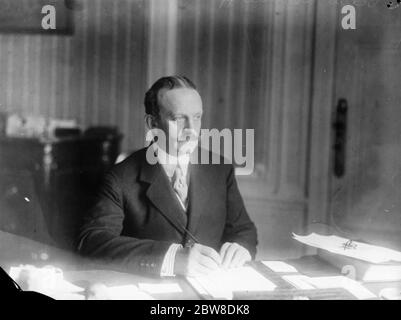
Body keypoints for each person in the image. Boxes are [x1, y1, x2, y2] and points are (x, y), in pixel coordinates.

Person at [77, 76, 257, 277]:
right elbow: (92, 241)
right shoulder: (120, 178)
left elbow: (244, 231)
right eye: (178, 119)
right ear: (152, 123)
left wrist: (241, 248)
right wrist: (171, 259)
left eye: (197, 117)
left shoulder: (220, 169)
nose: (191, 130)